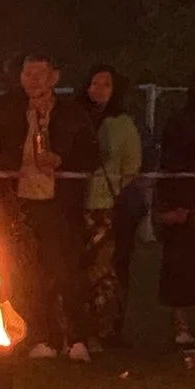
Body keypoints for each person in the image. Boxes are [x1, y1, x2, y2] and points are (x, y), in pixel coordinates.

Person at [0, 54, 99, 359]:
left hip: (60, 205)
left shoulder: (72, 114)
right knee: (30, 272)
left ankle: (77, 337)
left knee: (67, 271)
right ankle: (41, 336)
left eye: (40, 74)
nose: (33, 80)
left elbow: (93, 155)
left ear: (54, 77)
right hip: (23, 203)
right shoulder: (9, 111)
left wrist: (62, 161)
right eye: (28, 73)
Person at [154, 65, 195, 341]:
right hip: (183, 199)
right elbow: (169, 164)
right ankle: (181, 326)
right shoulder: (179, 120)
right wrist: (168, 207)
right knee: (179, 261)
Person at [81, 66, 142, 345]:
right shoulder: (78, 117)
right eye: (94, 83)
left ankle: (105, 328)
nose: (98, 89)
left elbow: (132, 165)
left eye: (105, 84)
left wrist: (113, 189)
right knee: (80, 267)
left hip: (106, 206)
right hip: (77, 204)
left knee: (105, 269)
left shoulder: (122, 123)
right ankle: (80, 326)